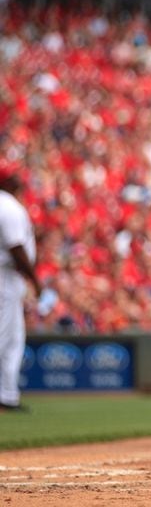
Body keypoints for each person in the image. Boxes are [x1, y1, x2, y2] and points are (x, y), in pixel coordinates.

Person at [0, 161, 42, 412]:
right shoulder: (8, 205)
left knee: (14, 338)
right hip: (5, 277)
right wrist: (35, 279)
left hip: (9, 277)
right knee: (5, 337)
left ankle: (7, 396)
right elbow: (16, 247)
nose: (20, 181)